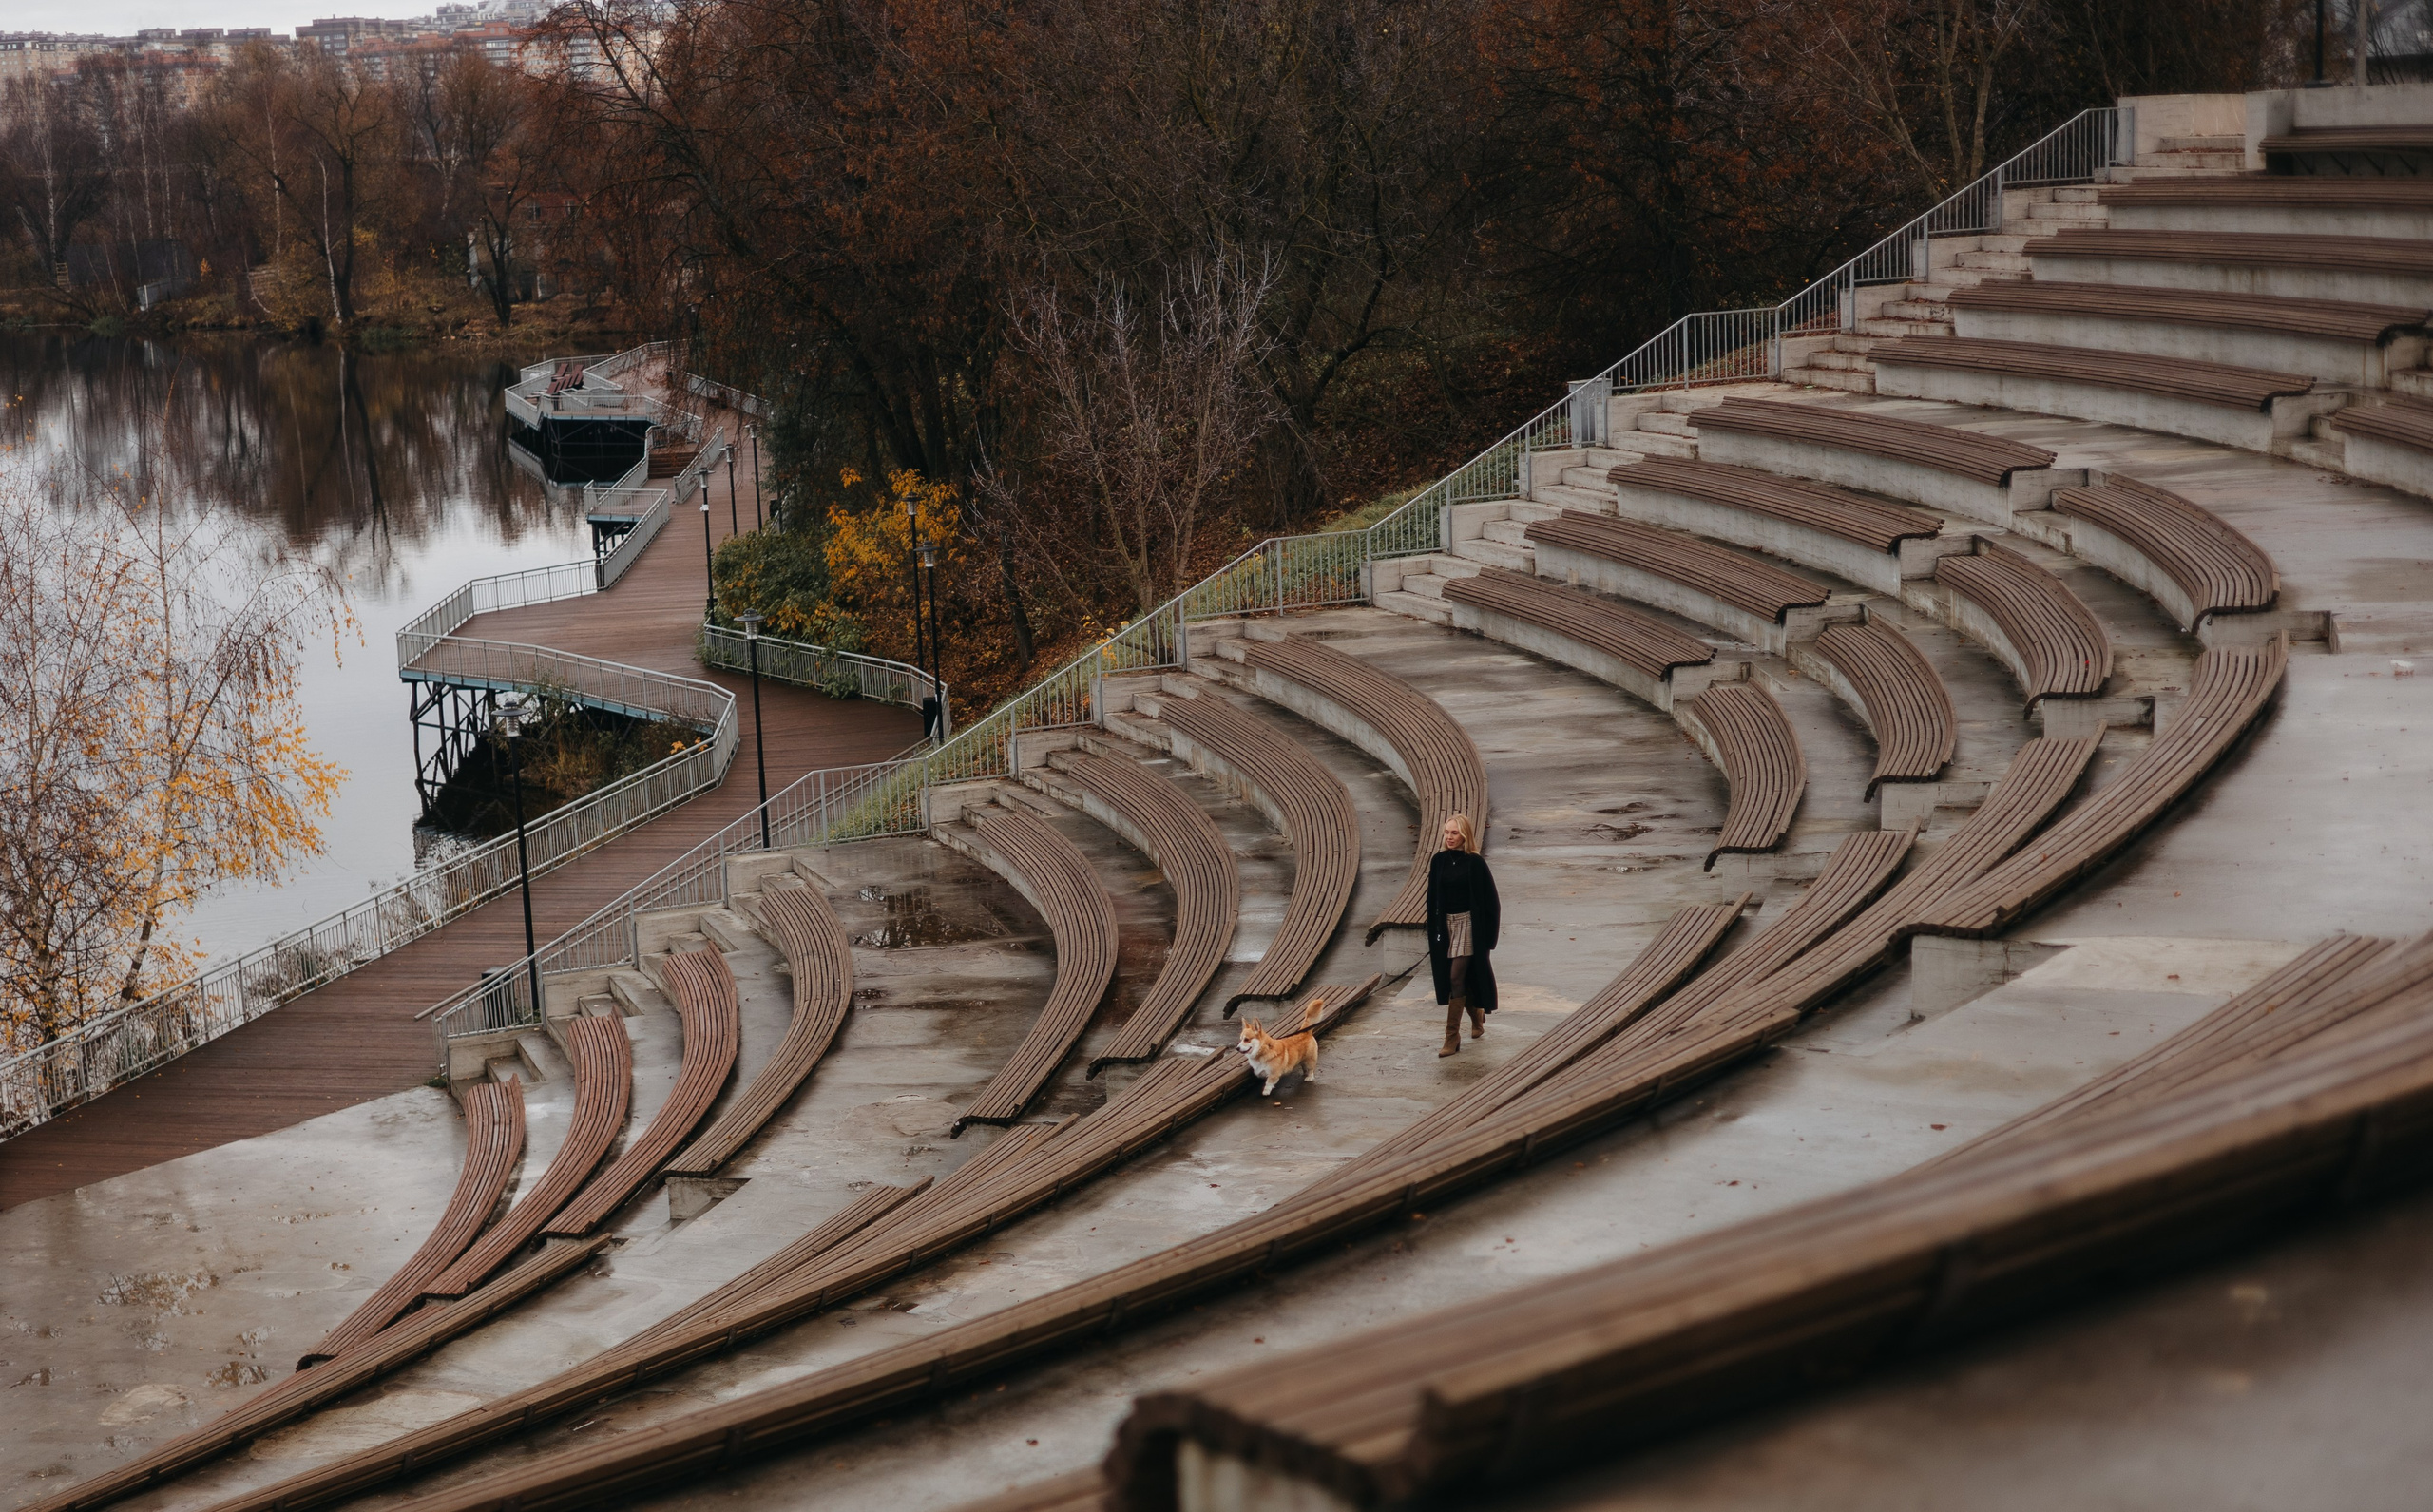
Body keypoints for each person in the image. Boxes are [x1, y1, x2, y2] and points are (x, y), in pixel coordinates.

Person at [1427, 813, 1499, 1058]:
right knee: (1457, 980)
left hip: (1469, 924)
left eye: (1454, 833)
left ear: (1464, 835)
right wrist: (1434, 929)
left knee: (1456, 976)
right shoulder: (1438, 861)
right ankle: (1476, 1015)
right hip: (1446, 925)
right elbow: (1432, 899)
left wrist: (1489, 938)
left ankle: (1451, 1036)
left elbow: (1491, 902)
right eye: (1447, 832)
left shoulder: (1475, 863)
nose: (1449, 837)